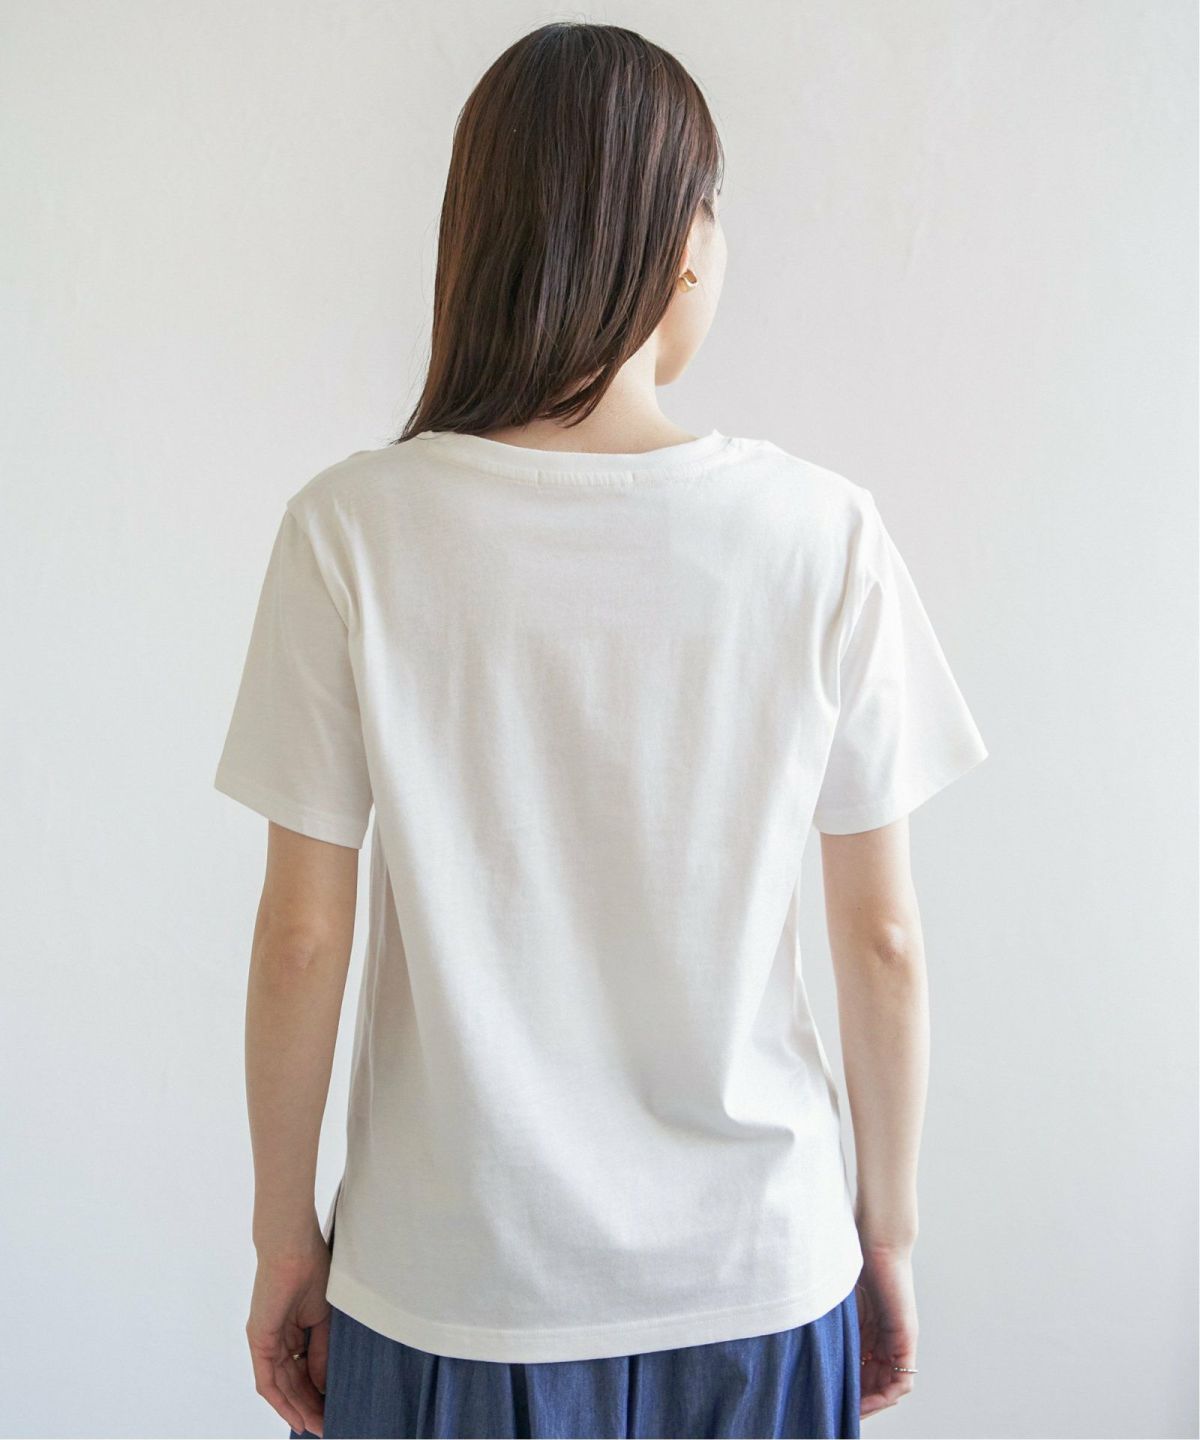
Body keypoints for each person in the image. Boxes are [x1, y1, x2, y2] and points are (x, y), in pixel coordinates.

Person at [213, 20, 987, 1440]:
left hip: (448, 1289)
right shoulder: (820, 534)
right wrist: (889, 1229)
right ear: (681, 248)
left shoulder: (349, 532)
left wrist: (283, 1242)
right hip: (757, 1279)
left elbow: (301, 938)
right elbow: (882, 938)